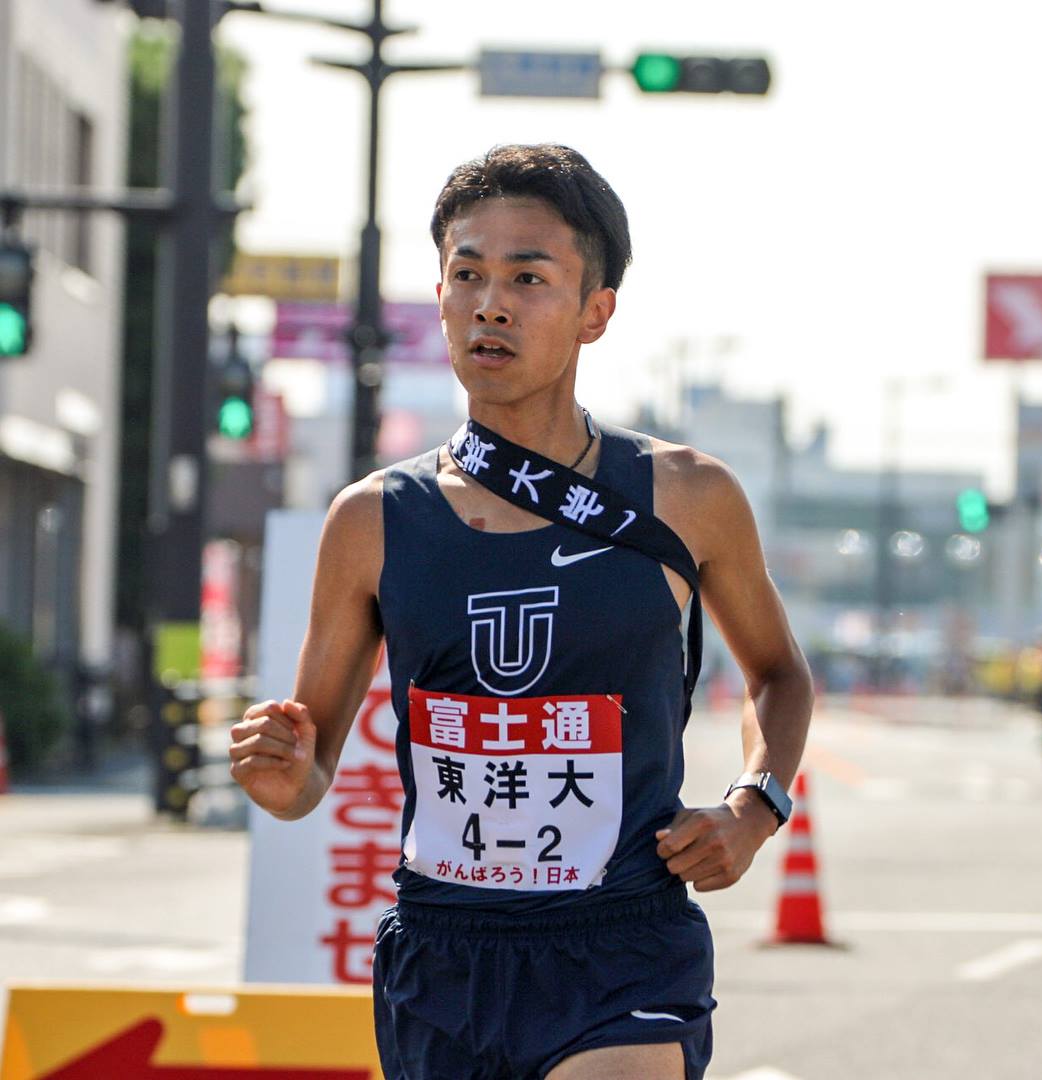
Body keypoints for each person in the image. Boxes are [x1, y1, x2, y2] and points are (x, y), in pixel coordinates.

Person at [230, 143, 814, 1080]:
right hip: (443, 952)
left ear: (595, 312)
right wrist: (280, 774)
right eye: (467, 273)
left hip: (622, 943)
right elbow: (308, 774)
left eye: (527, 278)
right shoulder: (374, 519)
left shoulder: (686, 497)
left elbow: (780, 676)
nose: (490, 303)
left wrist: (755, 805)